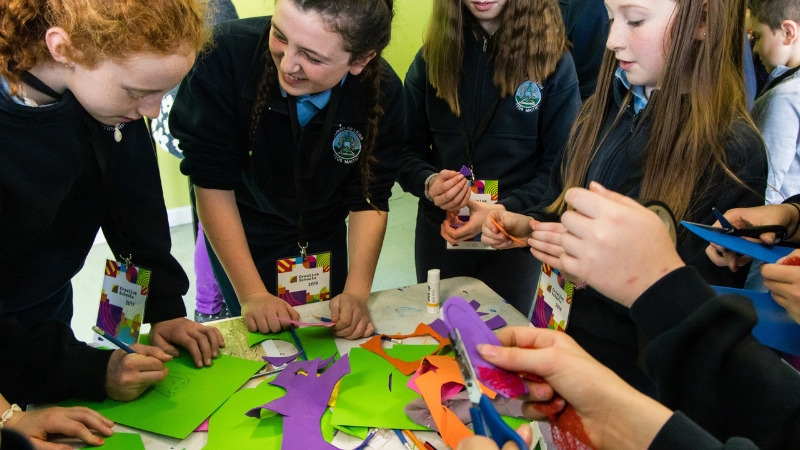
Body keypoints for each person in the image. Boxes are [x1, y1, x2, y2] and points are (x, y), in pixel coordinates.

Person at [481, 0, 767, 396]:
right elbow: (558, 200)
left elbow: (696, 305)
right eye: (611, 18)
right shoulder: (600, 112)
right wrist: (527, 224)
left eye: (634, 20)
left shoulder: (733, 152)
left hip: (636, 386)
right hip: (564, 340)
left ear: (701, 22)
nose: (612, 39)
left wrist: (599, 273)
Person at [460, 184, 800, 450]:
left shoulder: (735, 151)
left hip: (643, 367)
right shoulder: (598, 120)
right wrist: (611, 408)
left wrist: (658, 286)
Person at [0, 0, 224, 369]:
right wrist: (88, 371)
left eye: (162, 94)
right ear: (64, 49)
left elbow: (133, 205)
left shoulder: (110, 105)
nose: (152, 111)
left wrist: (164, 307)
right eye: (137, 92)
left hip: (48, 298)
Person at [170, 0, 402, 339]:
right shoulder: (224, 56)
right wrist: (251, 294)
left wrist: (356, 292)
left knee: (324, 342)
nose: (289, 63)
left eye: (312, 57)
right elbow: (212, 183)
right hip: (242, 234)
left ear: (360, 60)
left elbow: (370, 197)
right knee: (261, 342)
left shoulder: (383, 91)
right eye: (279, 35)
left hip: (323, 237)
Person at [396, 0, 581, 316]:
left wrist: (505, 211)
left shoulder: (553, 62)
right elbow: (402, 149)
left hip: (509, 237)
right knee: (440, 331)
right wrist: (428, 182)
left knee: (504, 337)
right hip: (443, 230)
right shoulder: (431, 57)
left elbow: (562, 167)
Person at [749, 0, 800, 206]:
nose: (755, 49)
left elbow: (767, 185)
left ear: (788, 33)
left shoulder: (785, 97)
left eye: (758, 36)